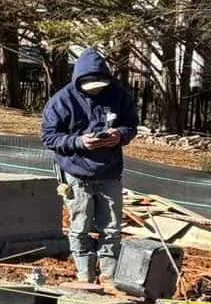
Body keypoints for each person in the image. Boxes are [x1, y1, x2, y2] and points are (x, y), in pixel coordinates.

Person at [40, 50, 139, 285]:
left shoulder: (118, 95)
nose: (96, 89)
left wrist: (120, 135)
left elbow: (131, 124)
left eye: (100, 84)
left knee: (112, 228)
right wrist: (79, 142)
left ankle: (109, 275)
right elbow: (49, 137)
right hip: (76, 173)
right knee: (81, 226)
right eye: (90, 86)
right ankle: (85, 273)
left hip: (110, 172)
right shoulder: (62, 101)